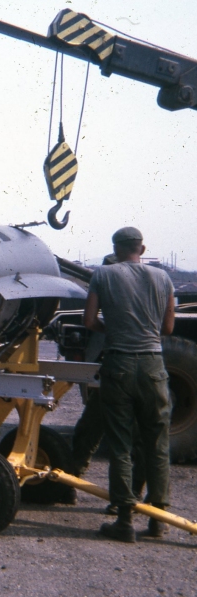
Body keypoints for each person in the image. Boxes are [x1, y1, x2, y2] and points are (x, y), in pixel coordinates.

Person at [84, 226, 174, 543]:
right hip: (153, 365)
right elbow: (168, 326)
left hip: (118, 363)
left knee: (121, 445)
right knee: (157, 444)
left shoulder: (103, 275)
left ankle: (124, 520)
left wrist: (114, 330)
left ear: (115, 248)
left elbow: (89, 320)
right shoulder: (162, 278)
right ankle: (158, 520)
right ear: (142, 248)